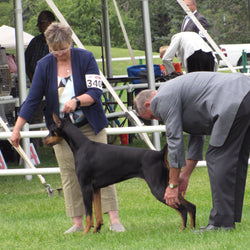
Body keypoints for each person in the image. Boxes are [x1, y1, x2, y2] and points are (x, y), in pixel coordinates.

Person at [11, 22, 125, 234]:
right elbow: (33, 99)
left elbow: (96, 91)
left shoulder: (86, 57)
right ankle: (77, 222)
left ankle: (114, 220)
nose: (60, 54)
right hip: (62, 132)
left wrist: (78, 101)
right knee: (69, 172)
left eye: (63, 49)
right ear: (49, 47)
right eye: (55, 50)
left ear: (70, 42)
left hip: (90, 125)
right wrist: (17, 129)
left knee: (104, 171)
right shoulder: (44, 65)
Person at [134, 72, 250, 233]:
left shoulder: (161, 99)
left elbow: (175, 141)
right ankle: (230, 217)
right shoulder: (179, 92)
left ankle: (221, 223)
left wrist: (173, 184)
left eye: (152, 116)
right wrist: (185, 175)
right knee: (236, 157)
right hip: (244, 91)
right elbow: (197, 135)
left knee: (217, 157)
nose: (158, 119)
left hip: (231, 100)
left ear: (148, 104)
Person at [24, 10, 56, 148]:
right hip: (37, 86)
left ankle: (57, 143)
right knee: (34, 117)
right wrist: (34, 79)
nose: (38, 25)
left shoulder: (60, 42)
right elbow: (25, 63)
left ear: (51, 23)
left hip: (56, 86)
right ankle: (34, 147)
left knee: (57, 116)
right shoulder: (35, 42)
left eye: (41, 22)